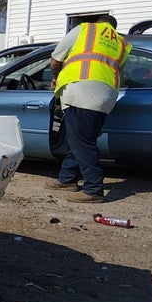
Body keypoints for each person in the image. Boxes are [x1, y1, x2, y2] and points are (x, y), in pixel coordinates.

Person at [46, 14, 131, 203]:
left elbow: (55, 59)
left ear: (99, 23)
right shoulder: (123, 43)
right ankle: (67, 178)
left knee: (82, 142)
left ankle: (93, 189)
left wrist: (55, 77)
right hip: (106, 96)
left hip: (81, 89)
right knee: (80, 138)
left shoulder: (85, 29)